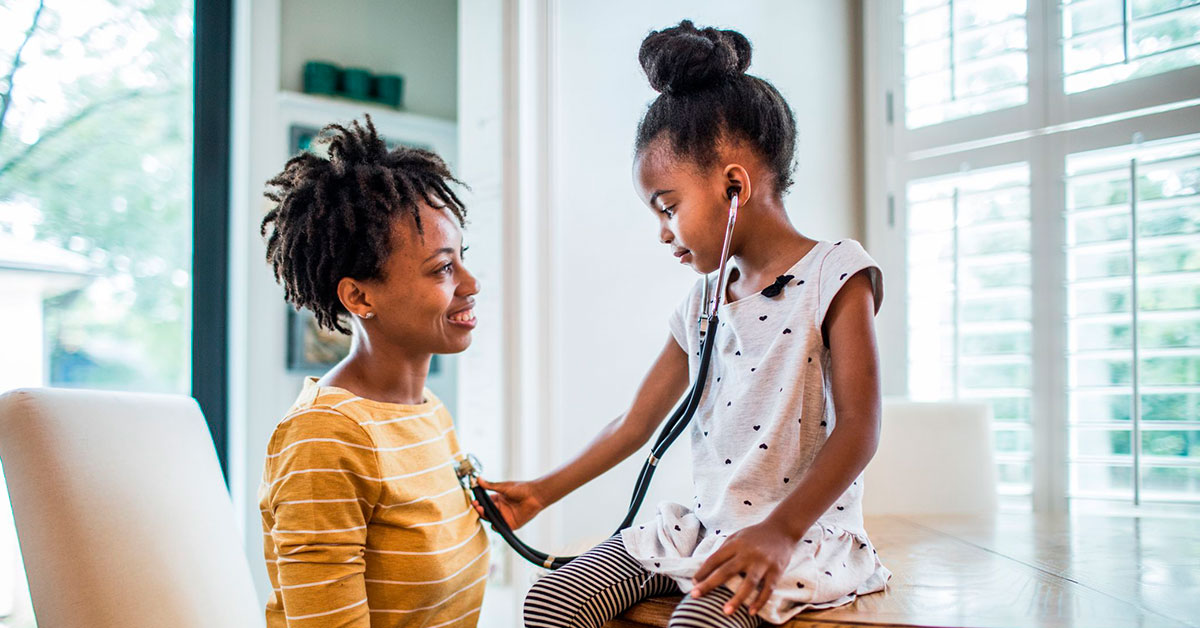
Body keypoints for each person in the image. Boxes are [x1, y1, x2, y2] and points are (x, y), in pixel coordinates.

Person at [476, 20, 891, 627]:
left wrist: (778, 532)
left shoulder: (836, 273)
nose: (663, 232)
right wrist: (540, 492)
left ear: (733, 184)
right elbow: (635, 422)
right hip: (700, 529)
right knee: (549, 600)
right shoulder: (702, 302)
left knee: (700, 622)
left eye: (668, 207)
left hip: (800, 533)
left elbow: (861, 428)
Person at [258, 116, 489, 627]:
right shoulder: (324, 438)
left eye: (462, 259)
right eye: (443, 268)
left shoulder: (428, 412)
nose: (471, 283)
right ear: (360, 296)